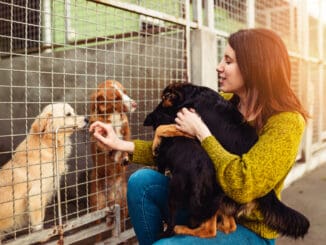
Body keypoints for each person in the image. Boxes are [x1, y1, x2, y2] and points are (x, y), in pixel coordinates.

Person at [89, 28, 308, 245]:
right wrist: (118, 143)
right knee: (141, 182)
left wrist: (202, 133)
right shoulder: (225, 102)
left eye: (228, 61)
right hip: (206, 203)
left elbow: (243, 186)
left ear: (254, 68)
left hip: (249, 227)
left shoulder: (286, 122)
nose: (218, 67)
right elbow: (182, 154)